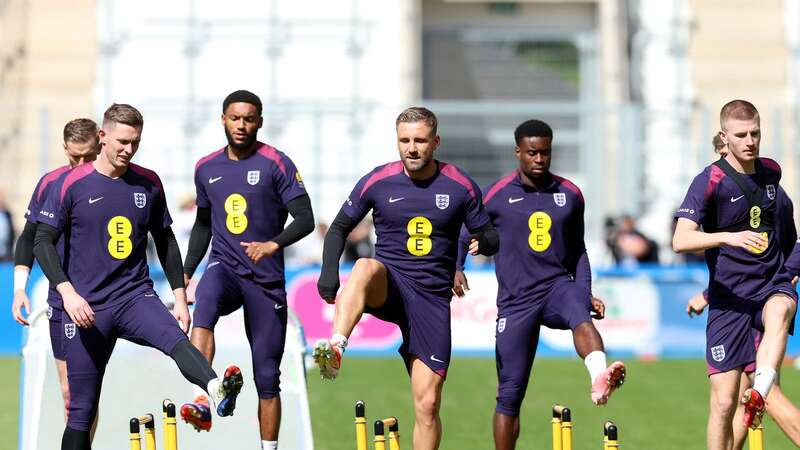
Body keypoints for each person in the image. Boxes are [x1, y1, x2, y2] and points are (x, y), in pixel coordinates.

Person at [33, 103, 243, 450]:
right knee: (80, 411)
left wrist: (179, 296)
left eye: (135, 142)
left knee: (176, 340)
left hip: (134, 296)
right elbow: (42, 241)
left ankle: (215, 386)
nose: (128, 149)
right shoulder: (71, 184)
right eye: (122, 141)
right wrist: (68, 293)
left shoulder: (148, 183)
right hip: (87, 308)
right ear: (102, 137)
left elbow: (165, 240)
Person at [314, 107, 499, 450]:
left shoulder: (460, 185)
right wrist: (328, 275)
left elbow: (488, 232)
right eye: (405, 140)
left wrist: (483, 242)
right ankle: (337, 346)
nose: (412, 148)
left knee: (428, 405)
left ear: (435, 142)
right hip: (391, 285)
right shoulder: (378, 180)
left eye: (420, 141)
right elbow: (338, 226)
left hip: (431, 299)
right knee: (364, 267)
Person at [453, 120, 625, 450]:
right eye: (532, 152)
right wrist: (457, 267)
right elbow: (465, 234)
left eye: (545, 152)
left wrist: (585, 291)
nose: (539, 159)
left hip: (557, 287)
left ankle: (599, 377)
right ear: (518, 152)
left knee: (579, 311)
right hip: (517, 300)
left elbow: (578, 250)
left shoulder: (570, 194)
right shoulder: (497, 195)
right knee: (509, 396)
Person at [179, 90, 314, 448]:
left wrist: (272, 244)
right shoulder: (206, 167)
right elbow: (204, 224)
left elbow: (306, 219)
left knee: (268, 378)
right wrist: (188, 270)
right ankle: (204, 397)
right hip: (224, 266)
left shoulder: (276, 163)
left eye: (249, 119)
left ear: (260, 122)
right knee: (204, 306)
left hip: (266, 280)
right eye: (235, 118)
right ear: (223, 119)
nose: (241, 125)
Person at [673, 100, 797, 450]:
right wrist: (728, 236)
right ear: (724, 137)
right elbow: (681, 240)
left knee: (778, 315)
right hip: (730, 303)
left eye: (755, 133)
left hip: (771, 288)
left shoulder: (772, 174)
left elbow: (788, 237)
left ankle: (762, 386)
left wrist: (791, 272)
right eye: (741, 134)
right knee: (725, 402)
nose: (750, 141)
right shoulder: (709, 180)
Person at [12, 118, 101, 435]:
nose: (80, 164)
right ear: (64, 149)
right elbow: (28, 238)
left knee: (85, 395)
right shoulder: (50, 183)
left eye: (88, 156)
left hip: (103, 300)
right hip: (61, 300)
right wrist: (19, 289)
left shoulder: (112, 183)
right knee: (69, 394)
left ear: (100, 145)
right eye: (74, 156)